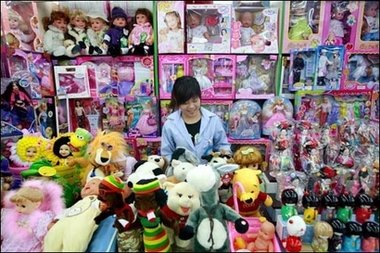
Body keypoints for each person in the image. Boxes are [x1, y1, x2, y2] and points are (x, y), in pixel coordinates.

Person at [161, 76, 231, 164]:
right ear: (177, 102)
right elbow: (166, 153)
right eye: (185, 103)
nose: (191, 106)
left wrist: (225, 156)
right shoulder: (170, 124)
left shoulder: (213, 120)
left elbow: (222, 145)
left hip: (209, 174)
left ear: (200, 97)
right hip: (181, 174)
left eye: (195, 101)